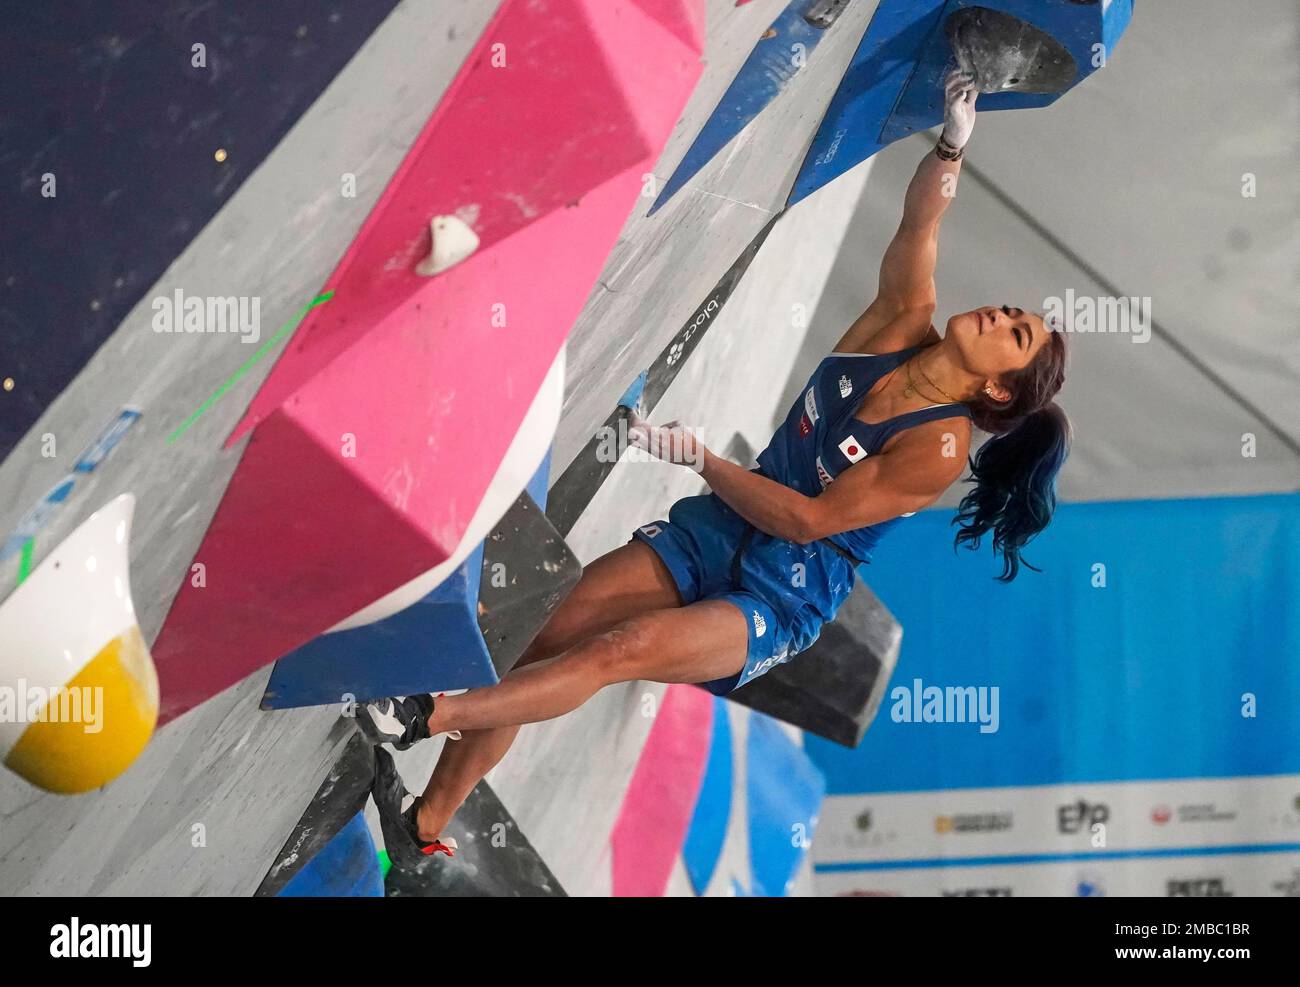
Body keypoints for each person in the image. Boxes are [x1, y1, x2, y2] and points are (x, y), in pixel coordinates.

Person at [363, 70, 1071, 866]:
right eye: (1012, 310)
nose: (999, 315)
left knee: (615, 651)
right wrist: (951, 142)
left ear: (997, 387)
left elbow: (806, 521)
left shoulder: (936, 450)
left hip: (783, 591)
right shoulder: (900, 319)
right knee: (542, 634)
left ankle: (427, 712)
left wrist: (701, 458)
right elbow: (923, 219)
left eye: (1013, 334)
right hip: (721, 528)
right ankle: (424, 825)